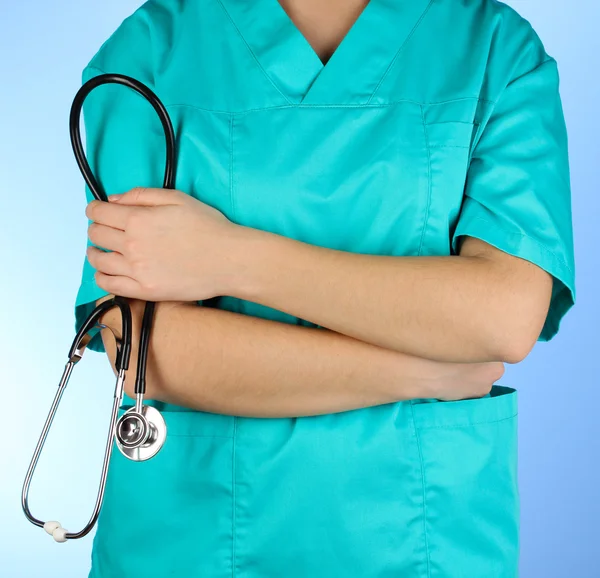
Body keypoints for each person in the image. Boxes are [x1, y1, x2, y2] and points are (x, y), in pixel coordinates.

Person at [75, 0, 576, 576]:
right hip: (187, 542)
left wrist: (229, 257)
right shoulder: (153, 51)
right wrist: (425, 372)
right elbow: (148, 350)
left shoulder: (492, 49)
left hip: (428, 546)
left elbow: (504, 315)